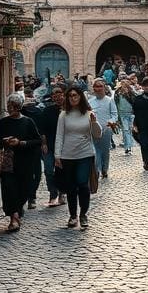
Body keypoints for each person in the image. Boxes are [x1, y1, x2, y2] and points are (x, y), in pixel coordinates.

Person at [0, 94, 42, 232]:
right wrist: (5, 141)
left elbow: (37, 141)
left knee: (23, 190)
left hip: (25, 162)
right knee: (9, 188)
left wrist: (21, 143)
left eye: (13, 106)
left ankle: (18, 210)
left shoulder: (28, 122)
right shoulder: (3, 123)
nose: (10, 109)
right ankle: (13, 217)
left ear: (19, 107)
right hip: (7, 162)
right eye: (9, 106)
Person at [54, 86, 102, 229]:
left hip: (85, 154)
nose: (73, 98)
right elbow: (59, 135)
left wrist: (94, 122)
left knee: (82, 183)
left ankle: (83, 214)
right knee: (71, 187)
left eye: (75, 95)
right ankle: (73, 215)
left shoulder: (89, 114)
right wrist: (57, 155)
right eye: (70, 96)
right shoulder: (63, 115)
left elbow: (97, 134)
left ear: (80, 97)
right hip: (67, 155)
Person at [37, 84, 66, 206]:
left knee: (61, 170)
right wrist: (43, 143)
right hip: (49, 145)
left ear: (64, 95)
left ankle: (62, 193)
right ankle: (52, 193)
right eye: (54, 94)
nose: (57, 96)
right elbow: (42, 129)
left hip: (65, 146)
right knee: (49, 170)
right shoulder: (47, 111)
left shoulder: (68, 111)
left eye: (59, 93)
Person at [87, 78, 118, 177]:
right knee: (95, 151)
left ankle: (105, 169)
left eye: (100, 86)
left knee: (105, 151)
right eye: (96, 86)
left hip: (106, 130)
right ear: (94, 88)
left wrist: (111, 121)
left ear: (104, 88)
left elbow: (114, 115)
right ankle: (97, 169)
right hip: (93, 130)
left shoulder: (110, 101)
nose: (98, 88)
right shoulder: (90, 101)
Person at [19, 88, 44, 208]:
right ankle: (29, 197)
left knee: (34, 172)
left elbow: (42, 131)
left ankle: (31, 196)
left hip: (32, 146)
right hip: (24, 146)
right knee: (31, 172)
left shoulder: (37, 113)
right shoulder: (21, 112)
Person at [114, 78, 136, 154]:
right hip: (122, 114)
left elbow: (135, 102)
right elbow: (116, 104)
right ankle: (128, 147)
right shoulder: (118, 93)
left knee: (128, 130)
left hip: (131, 114)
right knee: (125, 130)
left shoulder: (131, 93)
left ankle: (128, 147)